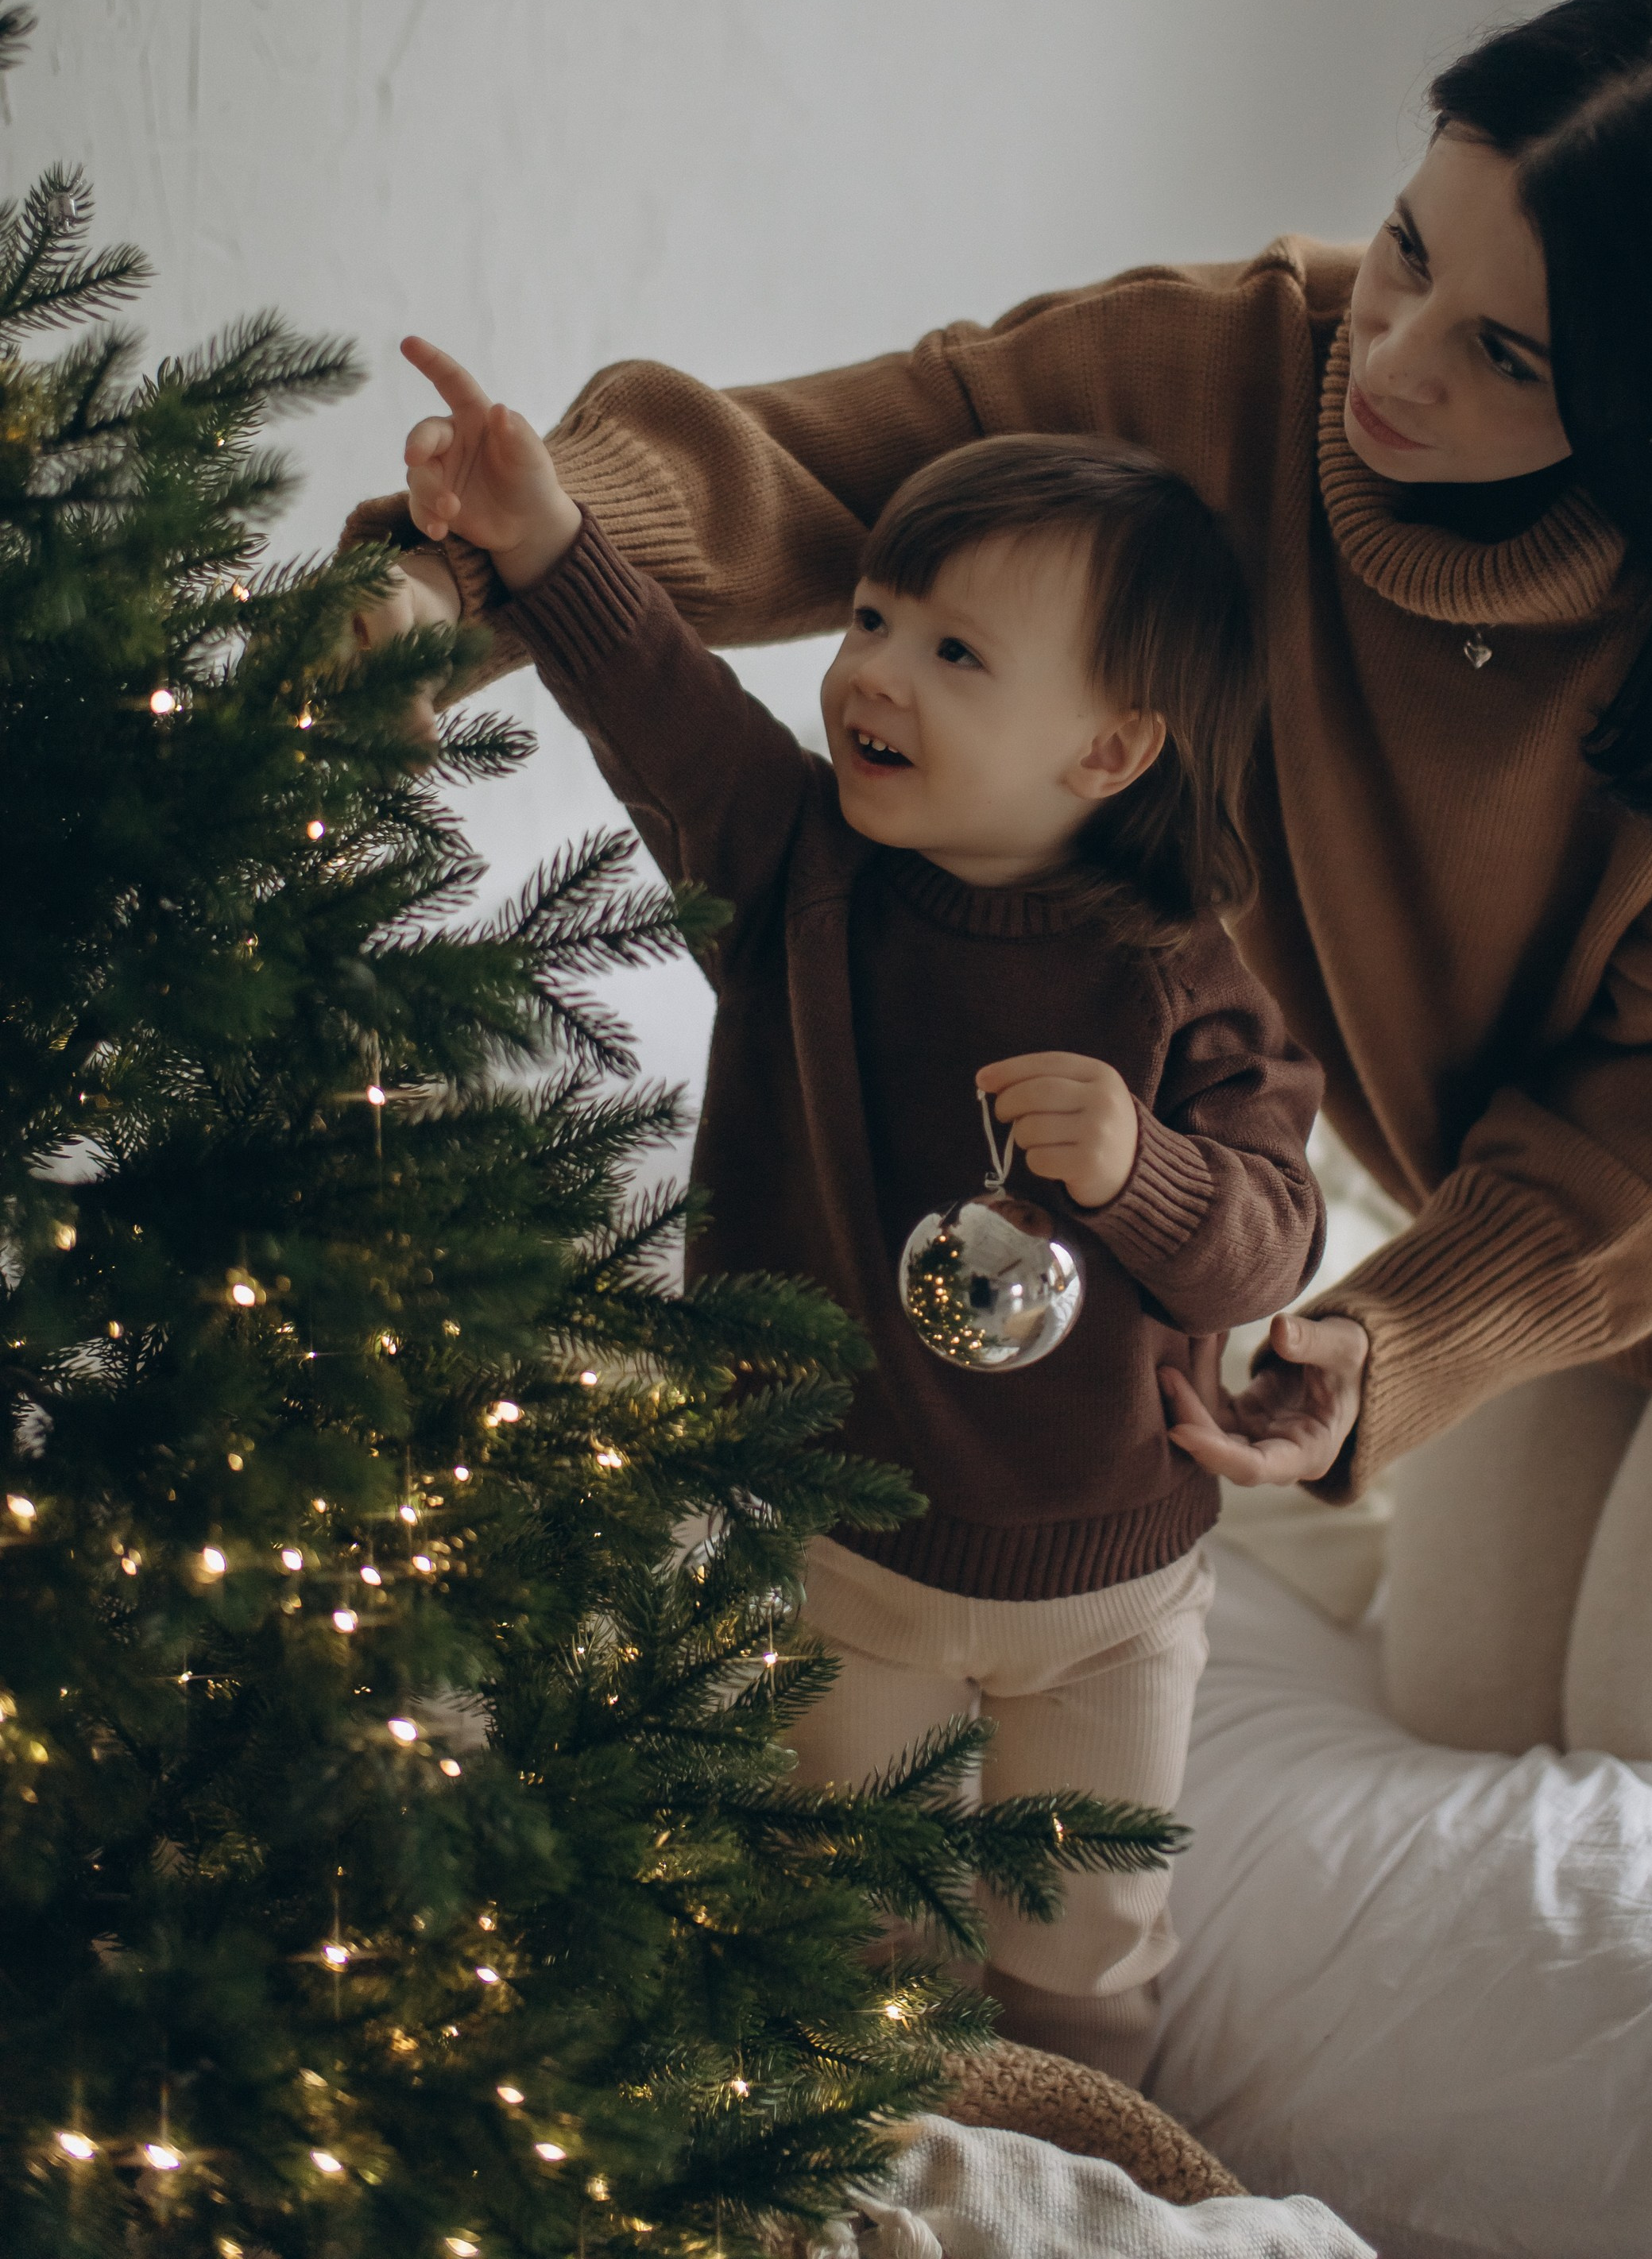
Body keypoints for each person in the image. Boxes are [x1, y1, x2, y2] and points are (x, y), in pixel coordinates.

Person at [353, 0, 1652, 1798]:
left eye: (1513, 359)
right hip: (1524, 1194)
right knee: (1474, 1702)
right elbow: (850, 460)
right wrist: (461, 572)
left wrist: (1395, 1335)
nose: (1397, 359)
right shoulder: (1240, 366)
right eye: (1411, 251)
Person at [369, 376, 1325, 2082]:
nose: (873, 670)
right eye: (875, 615)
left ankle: (1075, 2162)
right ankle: (857, 2155)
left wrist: (1137, 1171)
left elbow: (1265, 1246)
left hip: (1104, 1580)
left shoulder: (1181, 979)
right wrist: (533, 535)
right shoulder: (802, 867)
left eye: (957, 653)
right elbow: (666, 706)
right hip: (848, 1558)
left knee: (1080, 1946)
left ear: (1109, 751)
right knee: (837, 1917)